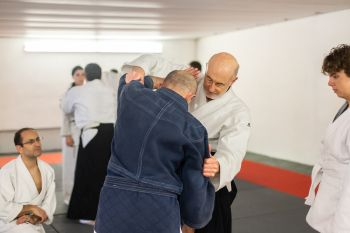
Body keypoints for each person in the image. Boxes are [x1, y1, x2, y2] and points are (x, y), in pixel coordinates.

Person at [121, 52, 251, 233]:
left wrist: (219, 163)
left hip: (204, 172)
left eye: (219, 84)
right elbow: (154, 60)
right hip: (170, 168)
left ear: (233, 80)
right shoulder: (190, 78)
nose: (211, 87)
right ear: (206, 67)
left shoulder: (238, 111)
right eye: (210, 79)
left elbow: (234, 150)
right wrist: (139, 70)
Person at [94, 69, 215, 233]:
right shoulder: (194, 130)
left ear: (162, 85)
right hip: (160, 210)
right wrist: (196, 218)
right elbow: (194, 182)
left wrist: (152, 80)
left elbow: (128, 80)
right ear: (190, 97)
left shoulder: (132, 97)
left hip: (113, 202)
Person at [62, 63, 116, 224]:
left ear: (86, 75)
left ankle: (88, 214)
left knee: (88, 174)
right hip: (109, 133)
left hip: (91, 135)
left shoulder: (78, 91)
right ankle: (107, 210)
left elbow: (65, 108)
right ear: (100, 74)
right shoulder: (110, 91)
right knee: (105, 174)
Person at [305, 44, 350, 233]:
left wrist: (342, 226)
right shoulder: (345, 107)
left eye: (335, 76)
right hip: (331, 199)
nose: (329, 82)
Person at [0, 128, 56, 233]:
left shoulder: (48, 170)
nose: (37, 144)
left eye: (38, 139)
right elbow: (1, 206)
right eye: (31, 142)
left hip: (34, 223)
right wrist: (30, 208)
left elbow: (49, 203)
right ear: (19, 148)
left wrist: (36, 217)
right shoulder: (8, 172)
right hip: (9, 223)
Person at [60, 65, 85, 205]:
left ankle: (80, 195)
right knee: (70, 166)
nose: (80, 77)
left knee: (82, 165)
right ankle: (69, 196)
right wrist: (67, 134)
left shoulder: (87, 92)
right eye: (77, 74)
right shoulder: (68, 93)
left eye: (82, 74)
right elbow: (64, 116)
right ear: (73, 77)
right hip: (71, 130)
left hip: (84, 131)